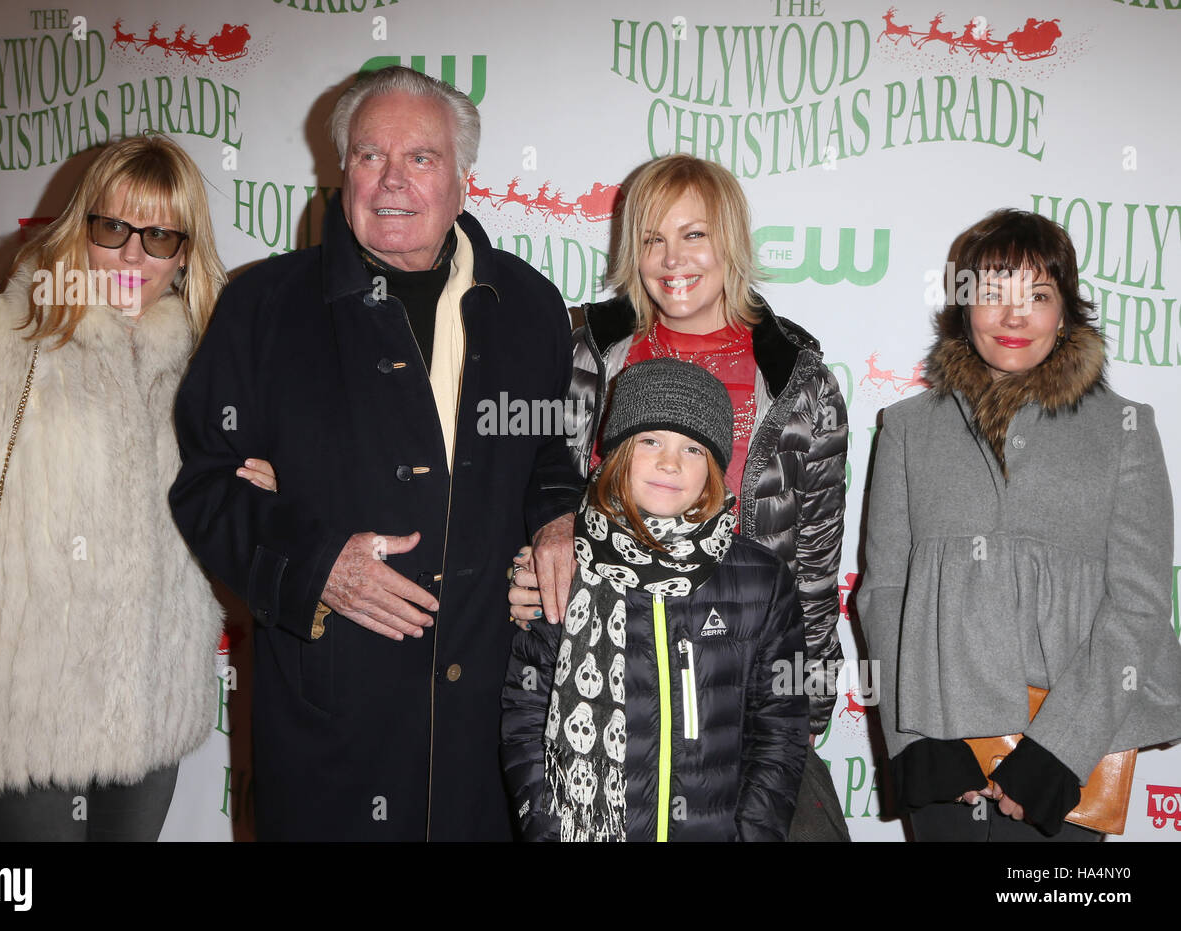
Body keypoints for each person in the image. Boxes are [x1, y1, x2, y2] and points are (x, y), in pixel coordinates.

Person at [168, 66, 583, 841]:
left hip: (491, 735)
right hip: (330, 732)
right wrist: (316, 562)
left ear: (464, 179)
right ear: (341, 170)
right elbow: (205, 483)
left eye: (420, 158)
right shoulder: (263, 307)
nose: (392, 181)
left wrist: (559, 520)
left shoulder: (529, 306)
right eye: (368, 156)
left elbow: (547, 456)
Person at [0, 134, 229, 841]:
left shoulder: (204, 361)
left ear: (186, 251)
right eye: (113, 228)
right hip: (19, 713)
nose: (133, 255)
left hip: (149, 711)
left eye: (160, 235)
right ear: (80, 227)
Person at [508, 154, 849, 839]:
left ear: (731, 242)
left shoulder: (797, 382)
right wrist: (540, 561)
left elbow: (813, 570)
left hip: (735, 703)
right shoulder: (591, 355)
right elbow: (548, 486)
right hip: (604, 690)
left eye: (694, 234)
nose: (672, 259)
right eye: (652, 238)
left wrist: (798, 720)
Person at [857, 208, 1181, 841]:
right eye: (992, 294)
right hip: (939, 743)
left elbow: (1140, 610)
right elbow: (884, 594)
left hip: (1072, 754)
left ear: (1064, 312)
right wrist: (913, 738)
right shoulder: (907, 428)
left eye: (1037, 295)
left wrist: (1058, 750)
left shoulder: (1125, 431)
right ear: (962, 307)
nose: (1013, 316)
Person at [501, 359, 808, 840]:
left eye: (692, 448)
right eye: (651, 441)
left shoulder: (761, 580)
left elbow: (780, 731)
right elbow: (525, 716)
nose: (671, 462)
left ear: (714, 467)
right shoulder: (567, 566)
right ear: (618, 453)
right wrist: (544, 827)